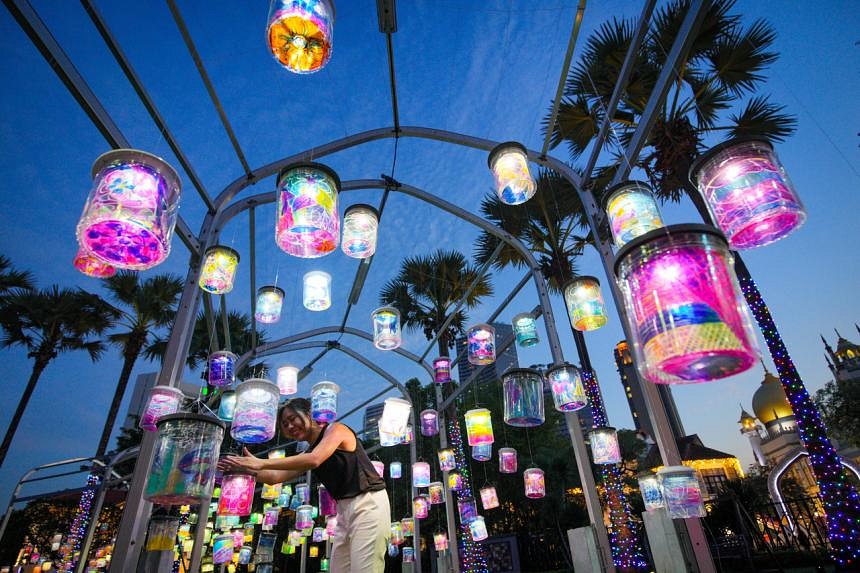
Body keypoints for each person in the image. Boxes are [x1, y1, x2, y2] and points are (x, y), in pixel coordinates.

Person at [219, 397, 390, 572]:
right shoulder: (309, 452)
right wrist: (243, 469)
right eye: (284, 425)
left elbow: (314, 459)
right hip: (344, 510)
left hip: (368, 503)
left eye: (292, 419)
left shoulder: (336, 429)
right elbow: (274, 476)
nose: (290, 427)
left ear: (309, 413)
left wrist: (261, 463)